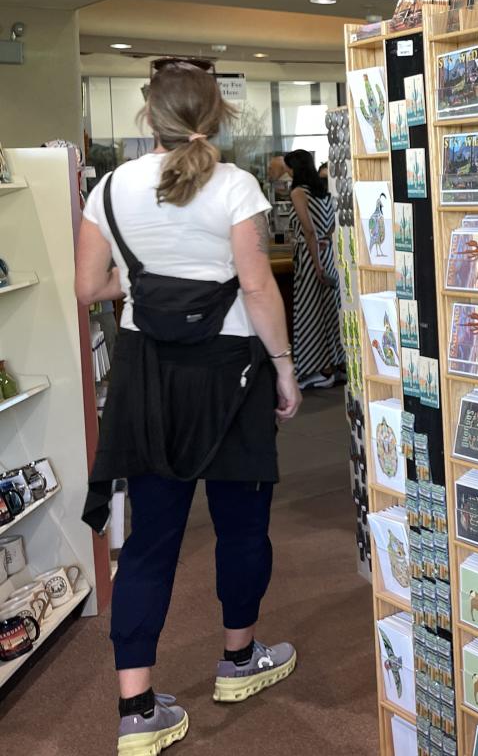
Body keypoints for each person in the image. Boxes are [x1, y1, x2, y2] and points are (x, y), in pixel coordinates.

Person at [75, 61, 301, 756]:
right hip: (231, 376)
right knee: (241, 528)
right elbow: (258, 288)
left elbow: (90, 287)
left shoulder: (110, 188)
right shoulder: (235, 186)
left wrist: (146, 285)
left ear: (149, 117)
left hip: (148, 379)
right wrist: (286, 369)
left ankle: (137, 708)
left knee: (149, 544)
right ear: (221, 114)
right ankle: (238, 662)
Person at [283, 149, 344, 389]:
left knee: (310, 312)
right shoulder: (324, 191)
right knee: (330, 310)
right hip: (326, 253)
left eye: (289, 167)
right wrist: (324, 248)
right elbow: (330, 227)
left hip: (311, 258)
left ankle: (320, 369)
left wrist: (316, 265)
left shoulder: (298, 192)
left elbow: (308, 230)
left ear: (295, 168)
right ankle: (338, 365)